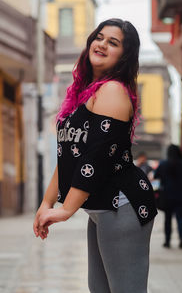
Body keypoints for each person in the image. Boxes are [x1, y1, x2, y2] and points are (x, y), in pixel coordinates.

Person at [33, 18, 157, 293]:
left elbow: (95, 158)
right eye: (99, 37)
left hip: (123, 203)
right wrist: (46, 202)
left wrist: (66, 209)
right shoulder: (86, 93)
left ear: (124, 56)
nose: (101, 44)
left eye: (112, 42)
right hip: (102, 208)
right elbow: (69, 155)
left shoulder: (113, 91)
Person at [154, 144, 182, 249]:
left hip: (167, 195)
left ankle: (167, 241)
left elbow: (156, 175)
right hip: (181, 195)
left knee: (168, 218)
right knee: (181, 218)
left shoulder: (163, 164)